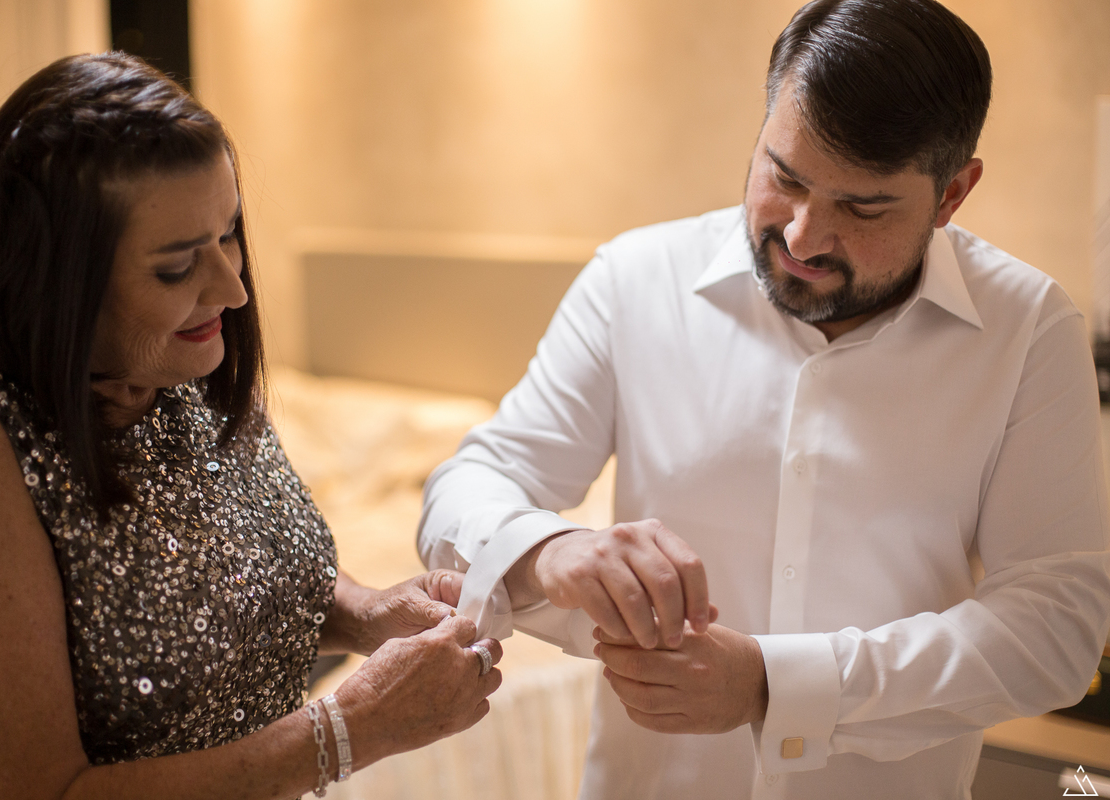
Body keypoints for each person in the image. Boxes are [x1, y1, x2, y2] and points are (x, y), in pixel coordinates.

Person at [418, 0, 1110, 797]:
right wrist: (548, 550)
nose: (805, 236)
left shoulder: (1028, 331)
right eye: (784, 177)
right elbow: (459, 496)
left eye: (863, 207)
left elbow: (1056, 626)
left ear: (953, 194)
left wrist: (775, 686)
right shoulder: (633, 283)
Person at [0, 53, 503, 800]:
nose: (232, 286)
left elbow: (236, 586)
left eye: (228, 236)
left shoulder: (181, 365)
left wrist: (366, 613)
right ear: (53, 280)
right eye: (174, 268)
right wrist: (355, 725)